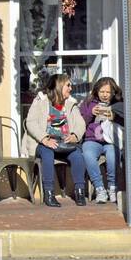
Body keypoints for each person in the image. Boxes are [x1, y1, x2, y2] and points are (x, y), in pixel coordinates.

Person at [22, 73, 89, 206]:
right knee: (47, 154)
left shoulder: (71, 103)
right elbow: (31, 122)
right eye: (68, 85)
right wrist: (44, 138)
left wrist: (75, 135)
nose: (71, 88)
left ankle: (80, 192)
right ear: (59, 86)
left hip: (65, 142)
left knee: (77, 155)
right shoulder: (41, 101)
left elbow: (80, 123)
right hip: (44, 142)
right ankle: (49, 193)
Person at [79, 77, 123, 205]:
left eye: (108, 92)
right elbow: (81, 123)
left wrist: (114, 116)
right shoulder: (88, 103)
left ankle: (112, 187)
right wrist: (91, 113)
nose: (104, 95)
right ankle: (99, 188)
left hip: (111, 140)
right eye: (102, 91)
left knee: (113, 155)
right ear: (97, 91)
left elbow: (126, 122)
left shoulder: (118, 104)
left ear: (113, 92)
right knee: (87, 154)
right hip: (92, 139)